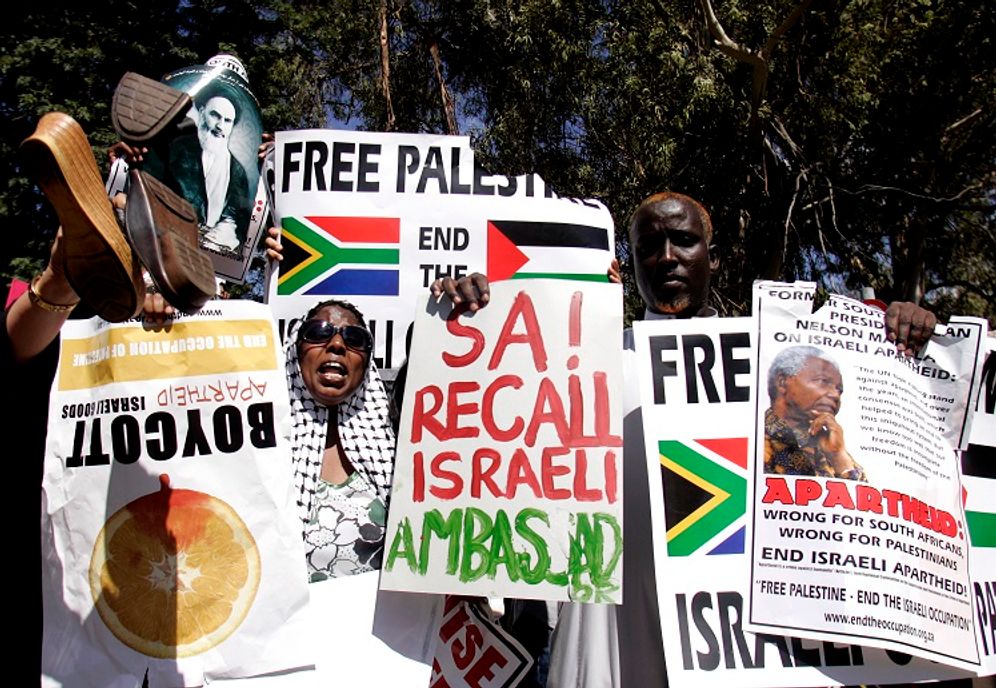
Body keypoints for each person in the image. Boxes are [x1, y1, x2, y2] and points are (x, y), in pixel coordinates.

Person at [432, 190, 938, 687]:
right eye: (649, 247)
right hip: (604, 644)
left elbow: (851, 504)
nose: (666, 257)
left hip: (734, 648)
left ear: (713, 259)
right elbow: (459, 421)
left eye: (682, 241)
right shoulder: (585, 357)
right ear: (631, 265)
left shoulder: (770, 376)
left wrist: (900, 337)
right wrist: (466, 323)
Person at [283, 299, 396, 580]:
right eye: (318, 332)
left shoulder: (400, 441)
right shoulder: (262, 444)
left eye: (355, 338)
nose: (336, 344)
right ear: (296, 352)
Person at [163, 89, 250, 254]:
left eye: (227, 120)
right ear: (202, 112)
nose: (220, 126)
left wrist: (213, 240)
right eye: (215, 115)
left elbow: (234, 218)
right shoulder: (174, 149)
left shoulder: (237, 171)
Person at [764, 345, 865, 480]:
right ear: (782, 382)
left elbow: (863, 499)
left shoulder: (830, 449)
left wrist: (838, 458)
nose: (835, 395)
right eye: (823, 381)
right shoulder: (751, 440)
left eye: (839, 390)